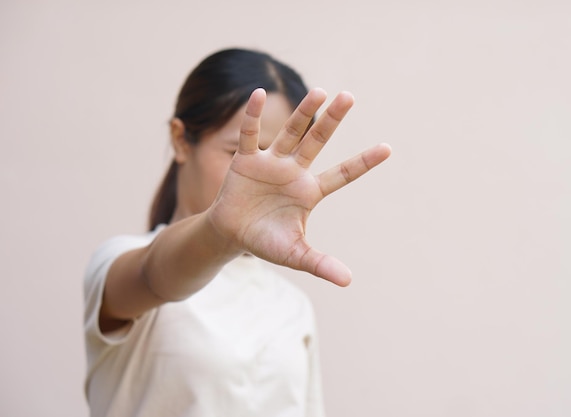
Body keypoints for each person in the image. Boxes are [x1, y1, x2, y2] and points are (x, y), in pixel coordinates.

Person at [83, 48, 391, 417]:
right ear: (181, 140)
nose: (259, 177)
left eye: (275, 156)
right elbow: (154, 275)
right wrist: (219, 229)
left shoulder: (291, 306)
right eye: (239, 152)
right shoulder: (119, 259)